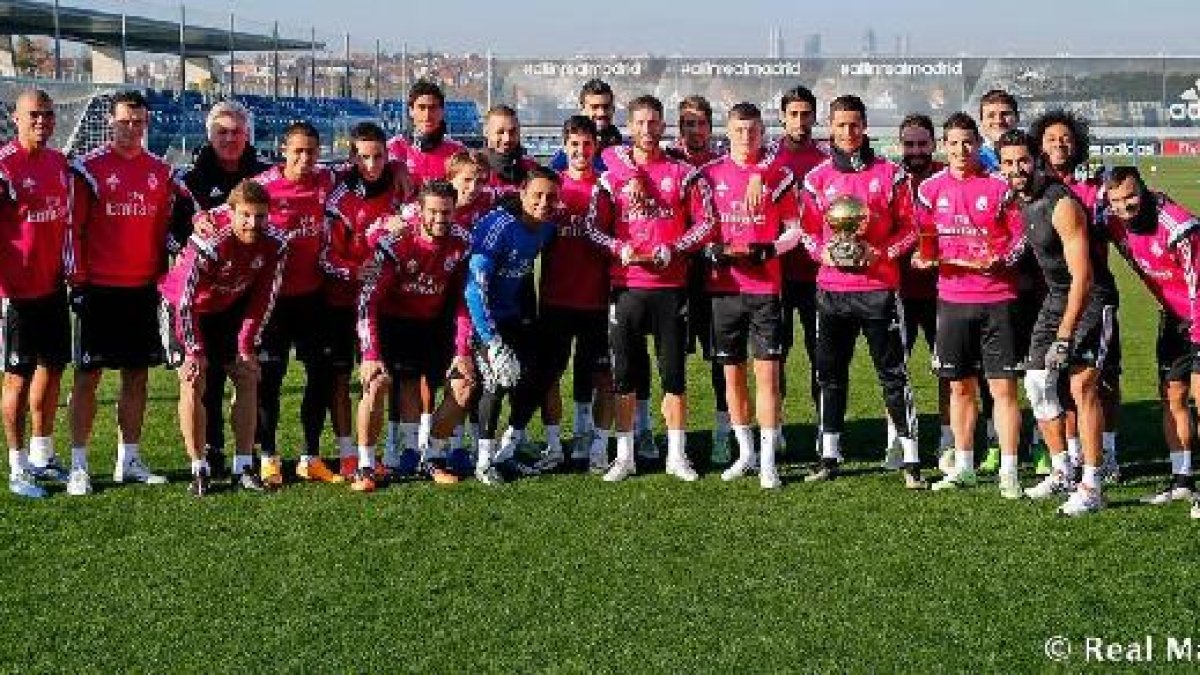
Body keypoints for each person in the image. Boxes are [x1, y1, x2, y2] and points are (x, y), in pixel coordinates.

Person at [584, 95, 715, 482]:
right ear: (629, 126)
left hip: (671, 287)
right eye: (639, 122)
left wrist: (674, 248)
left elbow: (706, 223)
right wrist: (618, 248)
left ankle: (676, 454)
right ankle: (625, 456)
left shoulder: (683, 173)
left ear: (663, 126)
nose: (647, 129)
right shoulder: (612, 175)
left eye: (653, 122)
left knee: (673, 374)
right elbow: (593, 227)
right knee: (624, 375)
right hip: (626, 288)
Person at [68, 90, 193, 490]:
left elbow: (172, 229)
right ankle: (79, 464)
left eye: (138, 122)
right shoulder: (88, 169)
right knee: (88, 376)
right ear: (110, 122)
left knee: (136, 376)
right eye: (124, 121)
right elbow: (73, 230)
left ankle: (130, 459)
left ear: (147, 123)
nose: (131, 129)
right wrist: (77, 281)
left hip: (144, 288)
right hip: (99, 289)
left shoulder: (161, 171)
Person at [797, 94, 922, 487]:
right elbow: (806, 231)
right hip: (831, 291)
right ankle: (828, 456)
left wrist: (880, 252)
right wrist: (822, 254)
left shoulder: (891, 174)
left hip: (879, 290)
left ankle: (911, 459)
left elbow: (911, 230)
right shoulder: (816, 178)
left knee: (893, 375)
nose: (848, 132)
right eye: (841, 125)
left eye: (854, 124)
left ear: (865, 126)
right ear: (830, 128)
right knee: (829, 376)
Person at [999, 129, 1117, 516]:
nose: (1016, 169)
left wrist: (1064, 335)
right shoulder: (1021, 199)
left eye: (1023, 161)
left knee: (1082, 386)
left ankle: (1093, 485)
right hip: (1055, 298)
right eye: (1008, 163)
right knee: (1036, 383)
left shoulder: (1061, 204)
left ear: (1037, 160)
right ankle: (1063, 471)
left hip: (1091, 299)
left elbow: (1083, 277)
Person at [913, 113, 1026, 499]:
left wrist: (1001, 259)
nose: (961, 150)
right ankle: (963, 466)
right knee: (959, 387)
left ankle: (1009, 470)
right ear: (944, 146)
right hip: (952, 300)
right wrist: (923, 257)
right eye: (953, 143)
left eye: (967, 142)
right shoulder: (930, 189)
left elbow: (1019, 238)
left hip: (997, 299)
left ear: (978, 144)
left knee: (1002, 389)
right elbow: (924, 236)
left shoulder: (999, 187)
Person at [160, 180, 286, 496]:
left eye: (260, 216)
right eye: (245, 215)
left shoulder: (275, 243)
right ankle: (199, 468)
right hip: (184, 310)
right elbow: (185, 300)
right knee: (193, 380)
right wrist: (193, 350)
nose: (253, 223)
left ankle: (243, 466)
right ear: (231, 213)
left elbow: (264, 298)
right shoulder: (209, 240)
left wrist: (246, 344)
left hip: (227, 307)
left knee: (247, 374)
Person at [701, 102, 803, 489]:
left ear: (763, 132)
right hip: (724, 288)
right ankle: (746, 454)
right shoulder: (710, 174)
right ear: (727, 132)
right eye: (739, 130)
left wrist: (770, 249)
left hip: (765, 289)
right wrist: (711, 249)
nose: (746, 137)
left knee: (768, 377)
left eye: (753, 130)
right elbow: (699, 227)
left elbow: (795, 230)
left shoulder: (779, 175)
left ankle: (768, 461)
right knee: (732, 377)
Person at [172, 100, 272, 479]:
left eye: (236, 132)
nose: (229, 139)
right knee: (201, 376)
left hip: (242, 293)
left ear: (248, 135)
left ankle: (252, 456)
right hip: (197, 294)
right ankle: (206, 456)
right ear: (210, 135)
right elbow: (171, 231)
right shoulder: (189, 180)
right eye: (222, 132)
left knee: (251, 374)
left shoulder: (266, 174)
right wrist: (191, 241)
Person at [354, 180, 471, 491]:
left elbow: (464, 299)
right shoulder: (397, 243)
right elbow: (368, 300)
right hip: (392, 323)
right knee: (377, 383)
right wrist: (370, 355)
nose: (440, 219)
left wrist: (462, 350)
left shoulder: (462, 243)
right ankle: (365, 466)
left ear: (454, 210)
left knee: (463, 386)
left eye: (446, 212)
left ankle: (431, 456)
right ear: (419, 210)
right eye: (433, 212)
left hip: (435, 323)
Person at [1099, 166, 1200, 520]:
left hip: (1199, 314)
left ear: (1144, 190)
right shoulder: (1111, 220)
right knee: (1172, 396)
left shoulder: (1179, 228)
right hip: (1173, 317)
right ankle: (1182, 480)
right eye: (1116, 200)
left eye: (1131, 196)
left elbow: (1197, 286)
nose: (1125, 206)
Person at [1031, 109, 1122, 481]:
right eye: (1051, 139)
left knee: (1103, 379)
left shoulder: (1093, 184)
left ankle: (1108, 452)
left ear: (1077, 143)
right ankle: (1071, 456)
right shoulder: (1036, 185)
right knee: (1060, 382)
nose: (1059, 144)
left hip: (1094, 292)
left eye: (1065, 138)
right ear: (1039, 145)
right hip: (1054, 296)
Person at [249, 121, 340, 488]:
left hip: (313, 297)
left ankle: (310, 457)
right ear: (283, 150)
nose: (305, 158)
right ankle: (268, 456)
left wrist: (397, 169)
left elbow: (363, 171)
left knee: (319, 375)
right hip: (272, 302)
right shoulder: (264, 187)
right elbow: (232, 212)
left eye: (311, 152)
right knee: (270, 378)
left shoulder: (327, 181)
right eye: (298, 151)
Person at [463, 167, 561, 484]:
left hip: (515, 316)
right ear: (522, 193)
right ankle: (483, 460)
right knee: (496, 380)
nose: (544, 202)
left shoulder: (547, 228)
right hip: (483, 317)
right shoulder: (498, 226)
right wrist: (490, 340)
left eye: (551, 197)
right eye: (537, 195)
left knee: (538, 375)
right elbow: (474, 288)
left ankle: (509, 447)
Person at [321, 122, 407, 478]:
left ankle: (376, 451)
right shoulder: (339, 199)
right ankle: (347, 453)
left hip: (384, 303)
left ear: (388, 156)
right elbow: (326, 256)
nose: (372, 164)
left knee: (380, 376)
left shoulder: (400, 190)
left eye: (379, 157)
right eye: (364, 157)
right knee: (342, 378)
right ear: (353, 158)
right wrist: (355, 271)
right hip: (340, 303)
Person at [532, 116, 614, 473]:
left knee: (603, 376)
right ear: (564, 146)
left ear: (596, 146)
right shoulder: (552, 188)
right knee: (550, 374)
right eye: (574, 144)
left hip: (598, 301)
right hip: (555, 300)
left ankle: (597, 445)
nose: (581, 151)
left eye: (587, 144)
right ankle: (553, 446)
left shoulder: (608, 187)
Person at [0, 89, 72, 498]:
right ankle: (18, 465)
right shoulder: (4, 167)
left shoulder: (58, 163)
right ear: (16, 118)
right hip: (15, 293)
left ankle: (43, 455)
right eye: (33, 114)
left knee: (53, 368)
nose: (41, 121)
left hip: (52, 287)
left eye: (47, 114)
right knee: (17, 377)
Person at [667, 95, 730, 466]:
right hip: (674, 275)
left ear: (710, 127)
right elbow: (615, 156)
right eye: (687, 124)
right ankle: (669, 437)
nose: (694, 130)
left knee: (720, 357)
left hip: (715, 276)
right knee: (671, 358)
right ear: (679, 128)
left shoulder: (722, 165)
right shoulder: (666, 162)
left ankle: (723, 433)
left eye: (700, 123)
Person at [889, 114, 950, 470]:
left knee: (948, 370)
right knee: (895, 370)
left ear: (934, 144)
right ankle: (897, 441)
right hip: (898, 292)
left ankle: (947, 441)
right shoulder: (891, 178)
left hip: (944, 291)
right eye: (909, 144)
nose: (915, 151)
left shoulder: (946, 177)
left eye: (922, 144)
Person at [771, 85, 828, 460]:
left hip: (817, 275)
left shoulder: (825, 161)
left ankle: (825, 428)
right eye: (793, 114)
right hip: (774, 275)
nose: (800, 121)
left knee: (821, 355)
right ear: (782, 117)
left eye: (806, 114)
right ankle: (775, 428)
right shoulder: (768, 160)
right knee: (775, 356)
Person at [974, 89, 1025, 475]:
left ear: (1016, 117)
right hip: (987, 282)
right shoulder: (974, 160)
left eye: (1005, 114)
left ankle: (1040, 442)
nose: (998, 120)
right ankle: (995, 440)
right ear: (981, 121)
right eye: (990, 115)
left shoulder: (1029, 156)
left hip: (1029, 279)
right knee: (990, 370)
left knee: (1035, 368)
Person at [387, 79, 466, 188]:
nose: (427, 115)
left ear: (442, 112)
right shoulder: (393, 148)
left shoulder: (457, 151)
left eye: (433, 108)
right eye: (421, 107)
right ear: (411, 111)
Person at [549, 78, 623, 172]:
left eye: (606, 107)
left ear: (613, 109)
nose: (601, 113)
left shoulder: (626, 151)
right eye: (594, 107)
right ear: (582, 109)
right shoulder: (565, 157)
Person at [481, 105, 540, 192]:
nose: (507, 139)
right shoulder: (475, 167)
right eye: (500, 132)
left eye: (512, 132)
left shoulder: (532, 168)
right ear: (486, 132)